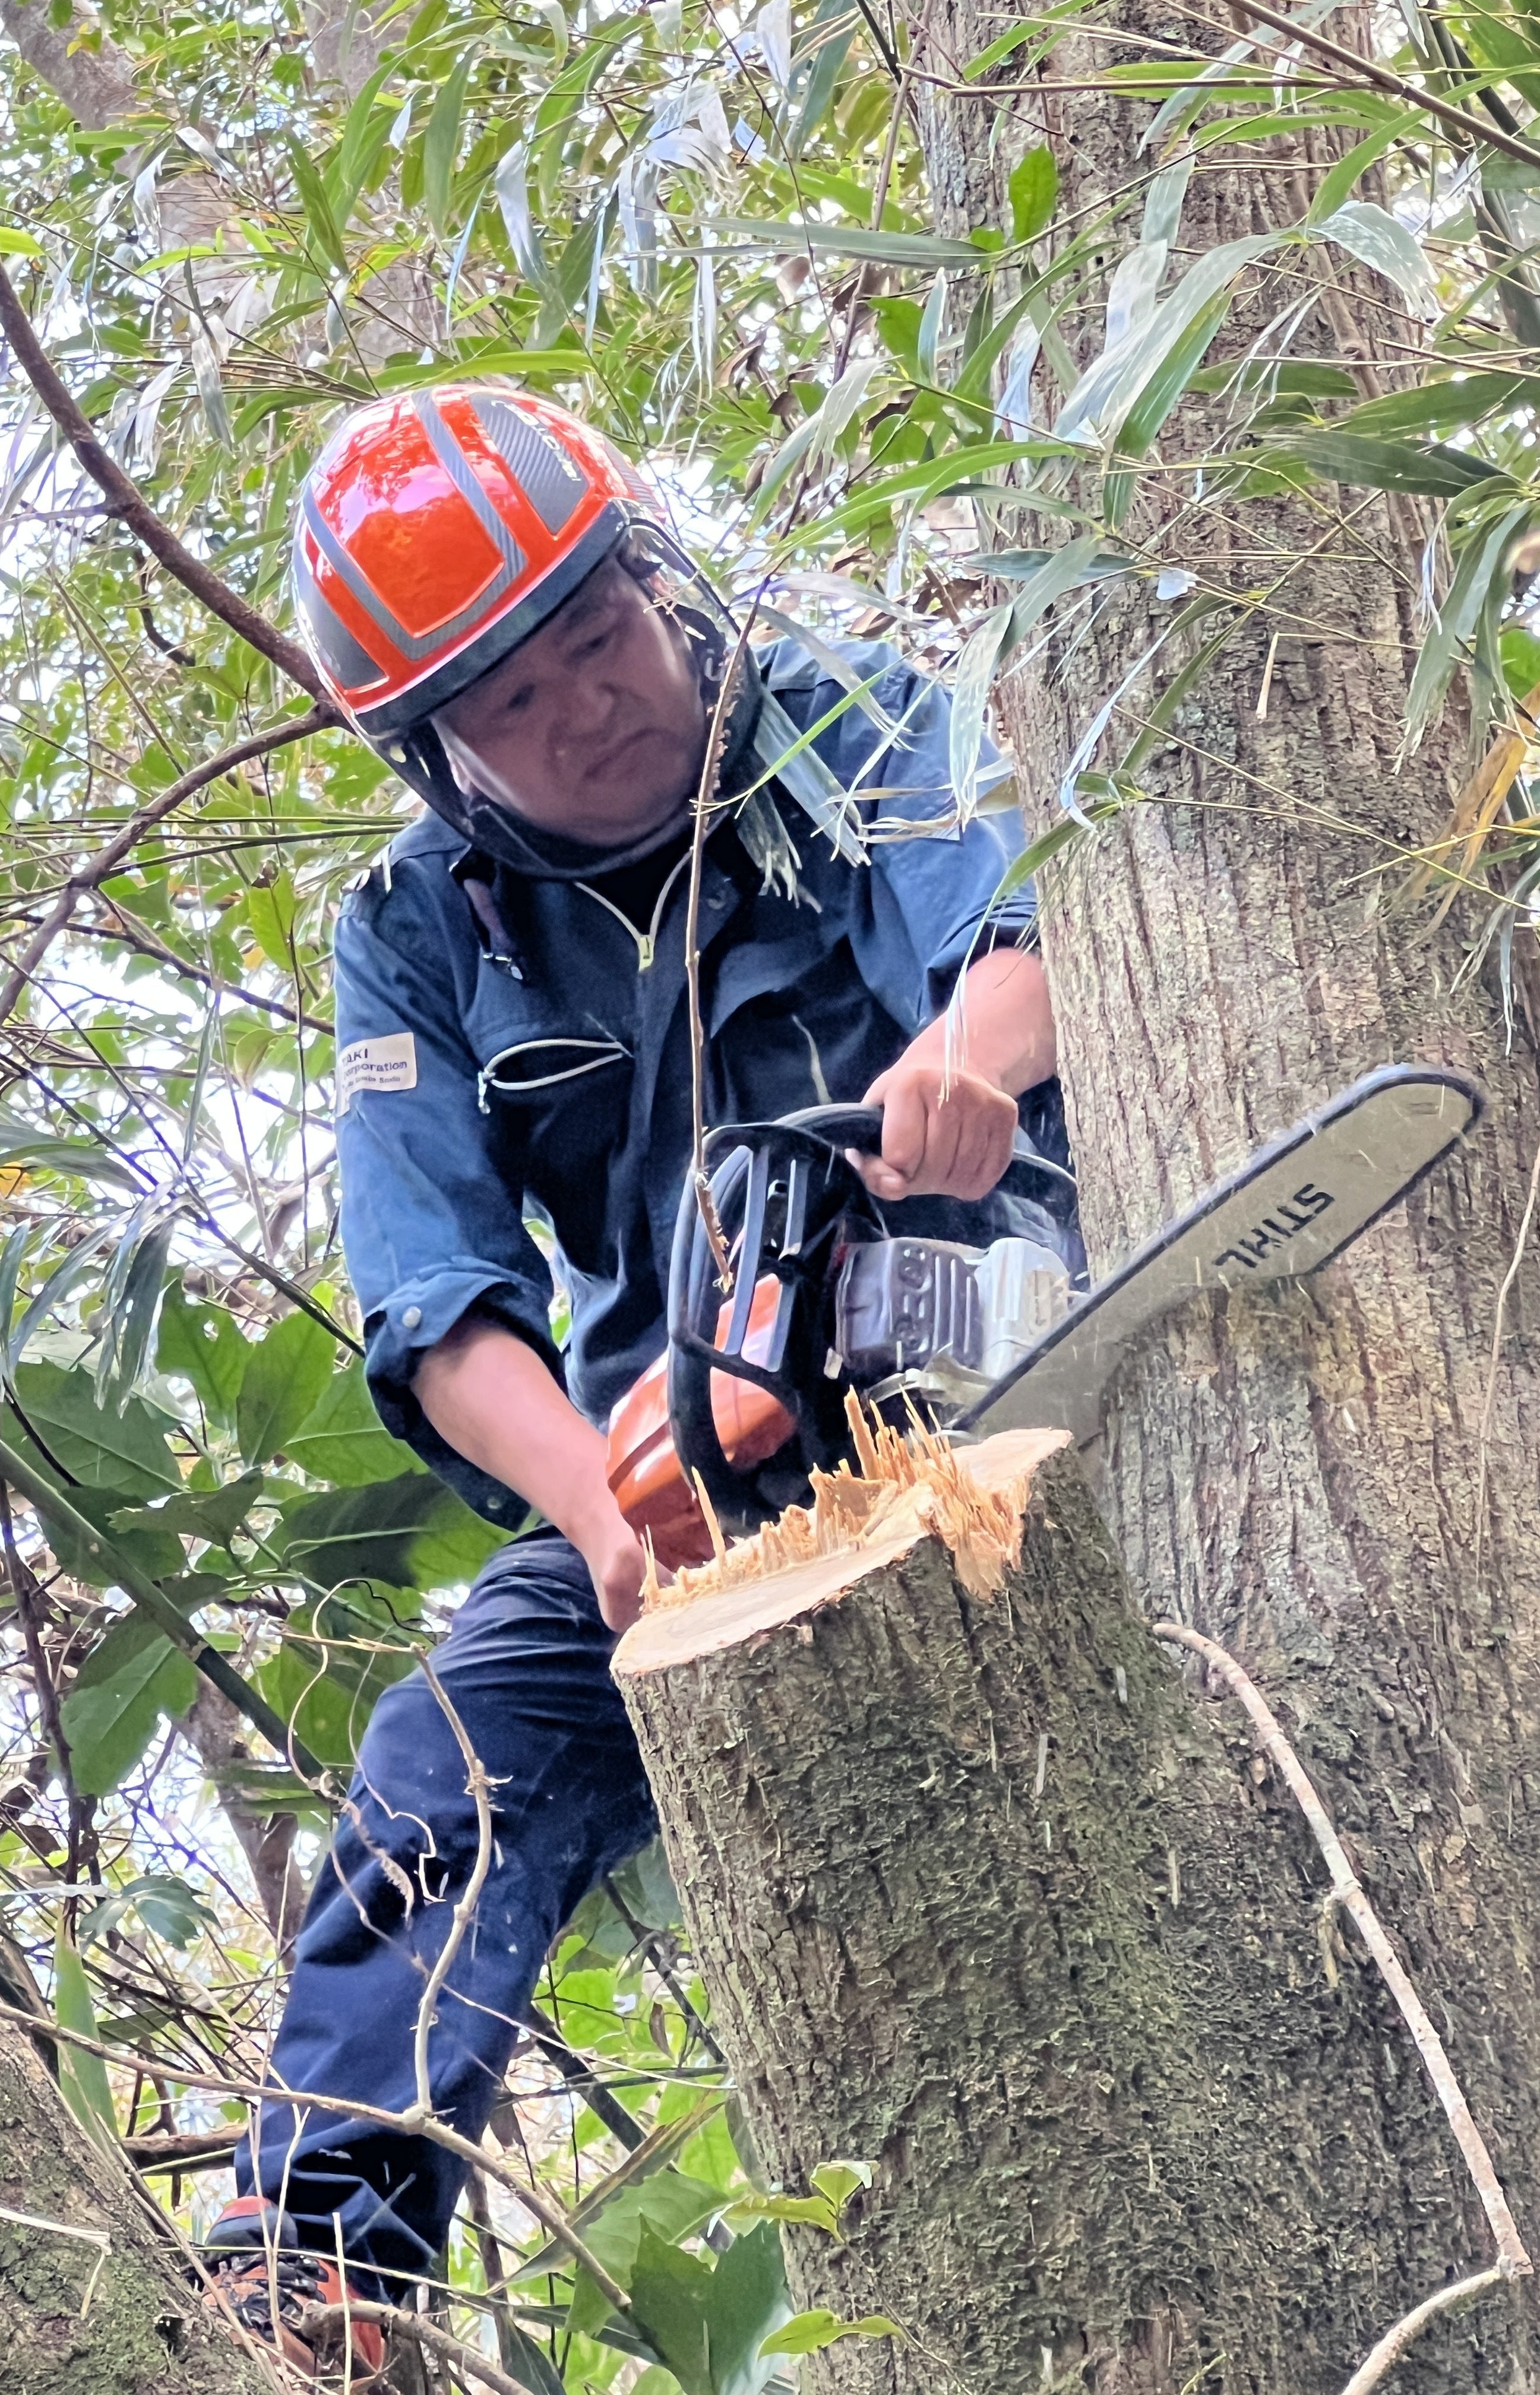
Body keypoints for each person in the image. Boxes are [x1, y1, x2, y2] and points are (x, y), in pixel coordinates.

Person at [201, 384, 1072, 2381]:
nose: (587, 705)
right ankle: (318, 2257)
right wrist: (604, 1521)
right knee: (459, 1745)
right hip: (676, 1455)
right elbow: (435, 1298)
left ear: (650, 580)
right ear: (439, 753)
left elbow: (1030, 920)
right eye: (514, 701)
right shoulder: (418, 932)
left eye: (596, 635)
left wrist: (967, 1064)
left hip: (972, 1325)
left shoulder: (839, 725)